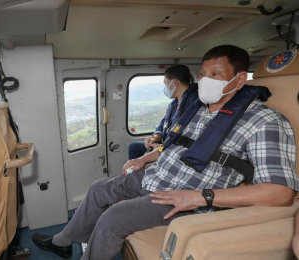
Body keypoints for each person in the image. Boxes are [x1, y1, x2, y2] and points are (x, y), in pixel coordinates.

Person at [32, 44, 299, 260]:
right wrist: (143, 158)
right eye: (204, 73)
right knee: (99, 188)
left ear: (240, 79)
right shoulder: (200, 110)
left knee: (112, 218)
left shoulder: (265, 122)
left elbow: (280, 192)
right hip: (157, 176)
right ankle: (63, 242)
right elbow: (173, 145)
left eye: (216, 74)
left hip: (182, 195)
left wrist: (200, 197)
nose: (206, 80)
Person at [128, 65, 198, 159]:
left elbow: (186, 135)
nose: (165, 87)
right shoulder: (174, 103)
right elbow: (163, 124)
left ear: (175, 82)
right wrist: (154, 138)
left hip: (175, 148)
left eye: (166, 84)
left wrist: (162, 148)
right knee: (134, 147)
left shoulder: (194, 103)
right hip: (165, 143)